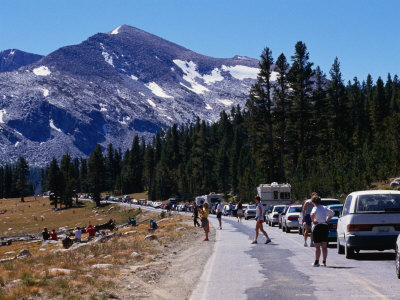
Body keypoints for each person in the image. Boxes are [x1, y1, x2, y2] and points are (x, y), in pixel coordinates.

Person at [310, 195, 334, 267]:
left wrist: (313, 221)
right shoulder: (324, 208)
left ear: (313, 202)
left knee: (317, 246)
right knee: (324, 246)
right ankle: (324, 262)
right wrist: (327, 220)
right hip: (324, 226)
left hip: (317, 227)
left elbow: (312, 214)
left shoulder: (315, 208)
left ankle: (316, 262)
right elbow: (332, 213)